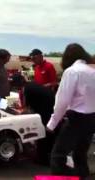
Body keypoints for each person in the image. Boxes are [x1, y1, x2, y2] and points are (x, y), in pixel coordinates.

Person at [47, 43, 95, 179]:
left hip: (77, 119)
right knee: (80, 154)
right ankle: (82, 176)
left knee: (58, 156)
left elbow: (62, 101)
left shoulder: (72, 72)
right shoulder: (92, 71)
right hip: (92, 118)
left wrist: (52, 123)